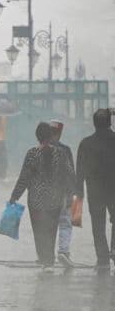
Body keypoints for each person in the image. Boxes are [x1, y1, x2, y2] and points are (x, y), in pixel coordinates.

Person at [10, 122, 76, 271]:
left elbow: (24, 178)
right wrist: (70, 193)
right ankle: (50, 262)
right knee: (51, 230)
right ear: (51, 135)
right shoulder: (61, 153)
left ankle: (45, 259)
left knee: (39, 231)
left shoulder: (32, 153)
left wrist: (14, 197)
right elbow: (69, 175)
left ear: (37, 136)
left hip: (36, 201)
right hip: (55, 199)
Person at [76, 109, 115, 269]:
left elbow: (80, 172)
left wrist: (78, 196)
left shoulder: (86, 143)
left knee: (98, 226)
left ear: (94, 123)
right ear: (110, 122)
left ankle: (103, 259)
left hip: (95, 192)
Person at [48, 120, 78, 268]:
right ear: (60, 133)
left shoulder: (40, 149)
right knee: (65, 223)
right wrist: (73, 194)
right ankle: (63, 252)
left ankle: (46, 255)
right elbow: (71, 174)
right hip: (63, 193)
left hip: (45, 195)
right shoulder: (65, 150)